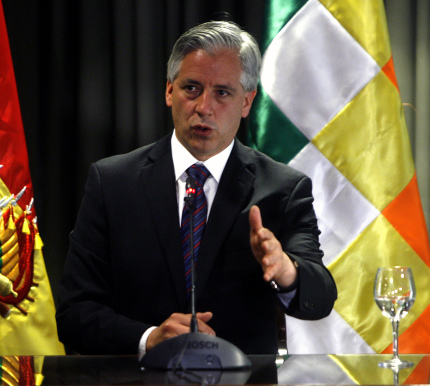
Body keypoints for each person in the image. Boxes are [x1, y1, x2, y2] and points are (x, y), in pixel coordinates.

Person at [56, 20, 337, 356]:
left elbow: (319, 299)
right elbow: (74, 314)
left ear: (247, 102)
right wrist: (148, 338)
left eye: (222, 92)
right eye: (191, 88)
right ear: (169, 91)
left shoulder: (282, 189)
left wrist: (287, 271)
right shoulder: (112, 182)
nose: (204, 107)